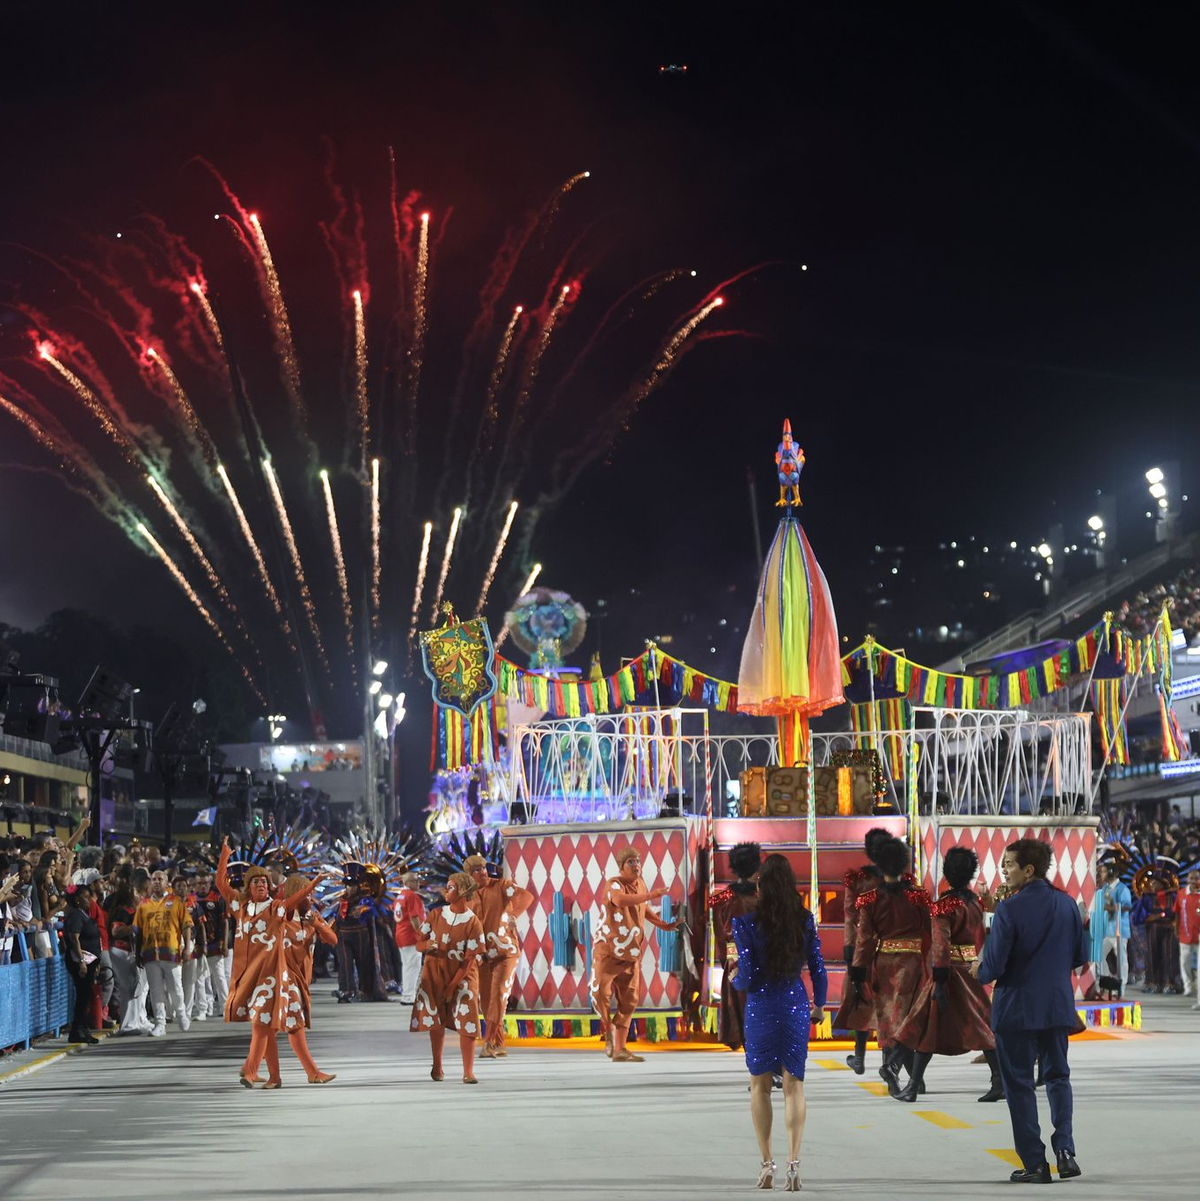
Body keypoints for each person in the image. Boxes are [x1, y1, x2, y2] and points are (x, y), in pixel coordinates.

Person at [972, 838, 1088, 1184]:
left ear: (1028, 869)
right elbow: (1080, 958)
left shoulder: (1009, 909)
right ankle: (1065, 1150)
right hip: (1056, 1007)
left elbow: (992, 967)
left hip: (1017, 1010)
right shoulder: (1068, 905)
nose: (1003, 870)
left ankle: (1035, 1163)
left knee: (1020, 1085)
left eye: (1008, 864)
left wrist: (978, 969)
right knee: (1058, 1077)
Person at [731, 853, 826, 1193]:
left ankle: (767, 1163)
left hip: (761, 1006)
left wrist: (734, 980)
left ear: (761, 886)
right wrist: (820, 1005)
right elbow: (817, 966)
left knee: (759, 1086)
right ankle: (794, 1165)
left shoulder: (745, 924)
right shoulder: (804, 920)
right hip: (794, 1004)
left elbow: (749, 975)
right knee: (794, 1086)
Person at [893, 847, 1002, 1103]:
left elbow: (941, 945)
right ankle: (999, 1080)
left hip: (950, 974)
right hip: (972, 970)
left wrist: (940, 980)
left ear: (946, 874)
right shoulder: (976, 902)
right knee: (982, 1027)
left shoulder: (943, 906)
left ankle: (912, 1084)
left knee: (926, 1028)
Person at [849, 837, 931, 1099]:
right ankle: (897, 1069)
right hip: (913, 964)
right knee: (911, 1019)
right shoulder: (919, 896)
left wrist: (858, 971)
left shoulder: (868, 899)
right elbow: (928, 933)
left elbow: (864, 940)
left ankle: (892, 1074)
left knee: (887, 1021)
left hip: (882, 964)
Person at [589, 846, 680, 1063]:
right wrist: (650, 895)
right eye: (631, 861)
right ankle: (608, 1031)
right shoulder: (613, 884)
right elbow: (620, 901)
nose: (636, 864)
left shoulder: (640, 885)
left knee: (629, 1001)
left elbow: (644, 908)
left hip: (631, 954)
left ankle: (620, 1048)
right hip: (608, 952)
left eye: (638, 860)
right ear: (621, 868)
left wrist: (663, 925)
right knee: (600, 994)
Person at [412, 872, 486, 1084]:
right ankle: (437, 1065)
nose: (446, 890)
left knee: (467, 1015)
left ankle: (468, 1071)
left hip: (463, 975)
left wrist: (452, 986)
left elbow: (470, 960)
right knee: (437, 1020)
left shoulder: (473, 923)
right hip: (435, 972)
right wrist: (426, 946)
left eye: (451, 887)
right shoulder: (435, 915)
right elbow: (419, 942)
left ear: (463, 892)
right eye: (447, 886)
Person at [464, 853, 534, 1059]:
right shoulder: (467, 896)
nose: (483, 871)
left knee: (498, 995)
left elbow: (527, 897)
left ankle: (487, 1043)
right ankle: (499, 1043)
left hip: (506, 952)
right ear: (469, 875)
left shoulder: (501, 885)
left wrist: (513, 914)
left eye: (484, 867)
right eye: (477, 869)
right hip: (483, 955)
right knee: (485, 1001)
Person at [272, 874, 338, 1085]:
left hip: (302, 979)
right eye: (305, 894)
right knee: (294, 1023)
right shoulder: (279, 916)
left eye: (310, 894)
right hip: (284, 976)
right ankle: (313, 1072)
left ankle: (250, 1067)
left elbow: (333, 940)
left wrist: (317, 925)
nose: (309, 899)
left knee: (268, 1028)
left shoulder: (313, 916)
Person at [835, 828, 890, 1074]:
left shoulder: (856, 880)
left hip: (861, 949)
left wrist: (850, 952)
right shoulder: (898, 880)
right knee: (889, 1004)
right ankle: (890, 1062)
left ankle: (859, 1057)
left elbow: (850, 917)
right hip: (890, 951)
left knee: (860, 1000)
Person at [709, 842, 762, 1052]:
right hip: (761, 960)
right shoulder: (763, 896)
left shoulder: (722, 898)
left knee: (743, 1010)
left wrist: (730, 961)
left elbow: (722, 936)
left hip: (737, 961)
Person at [134, 869, 194, 1037]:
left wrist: (187, 948)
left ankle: (181, 1013)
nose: (156, 882)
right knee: (155, 990)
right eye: (153, 879)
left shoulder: (176, 902)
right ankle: (159, 1023)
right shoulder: (143, 905)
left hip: (172, 952)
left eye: (160, 879)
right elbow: (137, 931)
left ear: (167, 883)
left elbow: (186, 926)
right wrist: (138, 953)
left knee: (176, 987)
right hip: (150, 953)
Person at [62, 884, 102, 1045]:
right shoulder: (75, 916)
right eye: (86, 897)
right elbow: (74, 939)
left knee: (85, 995)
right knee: (82, 995)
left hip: (91, 960)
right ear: (77, 900)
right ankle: (77, 1030)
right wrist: (81, 962)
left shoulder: (83, 914)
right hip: (80, 961)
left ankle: (82, 1028)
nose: (89, 900)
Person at [1088, 860, 1132, 996]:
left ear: (1112, 872)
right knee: (1099, 956)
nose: (1101, 874)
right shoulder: (1105, 888)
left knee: (1121, 960)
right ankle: (1106, 982)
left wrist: (1112, 908)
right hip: (1107, 929)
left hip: (1120, 930)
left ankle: (1121, 987)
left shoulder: (1122, 888)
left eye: (1103, 871)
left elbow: (1127, 906)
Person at [194, 866, 229, 1018]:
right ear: (195, 885)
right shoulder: (191, 900)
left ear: (210, 883)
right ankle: (205, 1008)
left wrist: (225, 943)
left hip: (216, 943)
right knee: (201, 978)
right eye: (199, 883)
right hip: (198, 945)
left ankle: (224, 1006)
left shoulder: (218, 898)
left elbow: (225, 922)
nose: (203, 886)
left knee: (219, 976)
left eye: (205, 883)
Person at [393, 872, 427, 1005]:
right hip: (410, 935)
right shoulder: (412, 896)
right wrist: (421, 934)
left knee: (407, 965)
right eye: (415, 881)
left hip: (401, 933)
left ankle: (407, 994)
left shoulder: (400, 896)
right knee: (413, 966)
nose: (418, 883)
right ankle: (408, 996)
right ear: (407, 883)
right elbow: (414, 918)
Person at [1175, 869, 1200, 1003]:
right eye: (1192, 878)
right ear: (1187, 880)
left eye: (1196, 878)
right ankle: (1188, 987)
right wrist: (1175, 928)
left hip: (1199, 935)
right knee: (1184, 962)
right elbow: (1177, 912)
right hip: (1185, 934)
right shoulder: (1181, 894)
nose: (1194, 881)